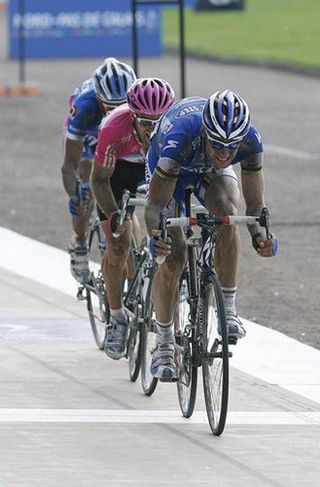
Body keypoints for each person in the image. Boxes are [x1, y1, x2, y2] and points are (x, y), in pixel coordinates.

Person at [144, 89, 279, 381]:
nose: (225, 154)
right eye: (217, 145)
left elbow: (255, 205)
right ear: (205, 132)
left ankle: (228, 309)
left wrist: (260, 235)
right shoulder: (180, 138)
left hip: (205, 171)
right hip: (170, 168)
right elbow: (155, 205)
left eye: (231, 148)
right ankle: (164, 342)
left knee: (227, 216)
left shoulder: (250, 142)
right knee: (174, 253)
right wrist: (158, 235)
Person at [90, 77, 176, 360]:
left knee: (175, 236)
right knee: (118, 244)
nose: (152, 130)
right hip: (119, 175)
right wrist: (115, 216)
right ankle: (116, 317)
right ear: (133, 116)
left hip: (159, 171)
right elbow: (99, 180)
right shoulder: (115, 127)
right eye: (145, 123)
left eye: (157, 122)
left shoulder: (175, 130)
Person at [61, 57, 136, 284]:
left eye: (122, 106)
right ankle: (80, 241)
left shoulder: (136, 101)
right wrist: (77, 195)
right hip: (90, 135)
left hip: (117, 136)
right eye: (110, 108)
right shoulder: (85, 106)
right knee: (86, 179)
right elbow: (69, 166)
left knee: (124, 187)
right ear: (98, 99)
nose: (116, 112)